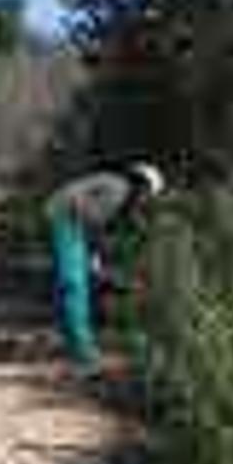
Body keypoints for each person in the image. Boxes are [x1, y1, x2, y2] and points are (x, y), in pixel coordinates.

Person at [46, 161, 164, 378]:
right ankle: (85, 358)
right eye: (147, 195)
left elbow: (99, 224)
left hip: (68, 218)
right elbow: (91, 220)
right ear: (141, 185)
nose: (146, 201)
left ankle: (72, 346)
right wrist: (94, 257)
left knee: (73, 285)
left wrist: (95, 258)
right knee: (74, 286)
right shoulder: (118, 191)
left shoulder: (117, 187)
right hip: (65, 219)